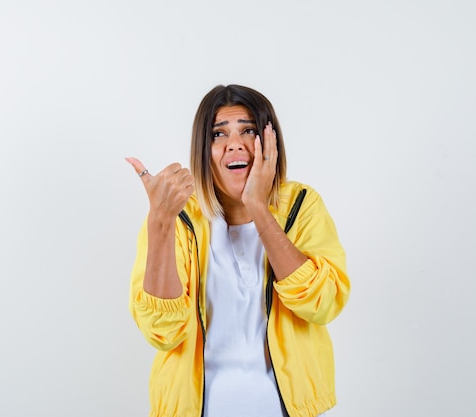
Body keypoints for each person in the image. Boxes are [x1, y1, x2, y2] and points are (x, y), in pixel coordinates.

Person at [126, 84, 350, 417]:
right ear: (204, 149)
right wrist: (161, 222)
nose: (234, 143)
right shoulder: (178, 215)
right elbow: (163, 332)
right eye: (218, 134)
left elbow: (325, 304)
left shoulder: (302, 205)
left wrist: (258, 206)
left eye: (248, 130)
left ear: (269, 143)